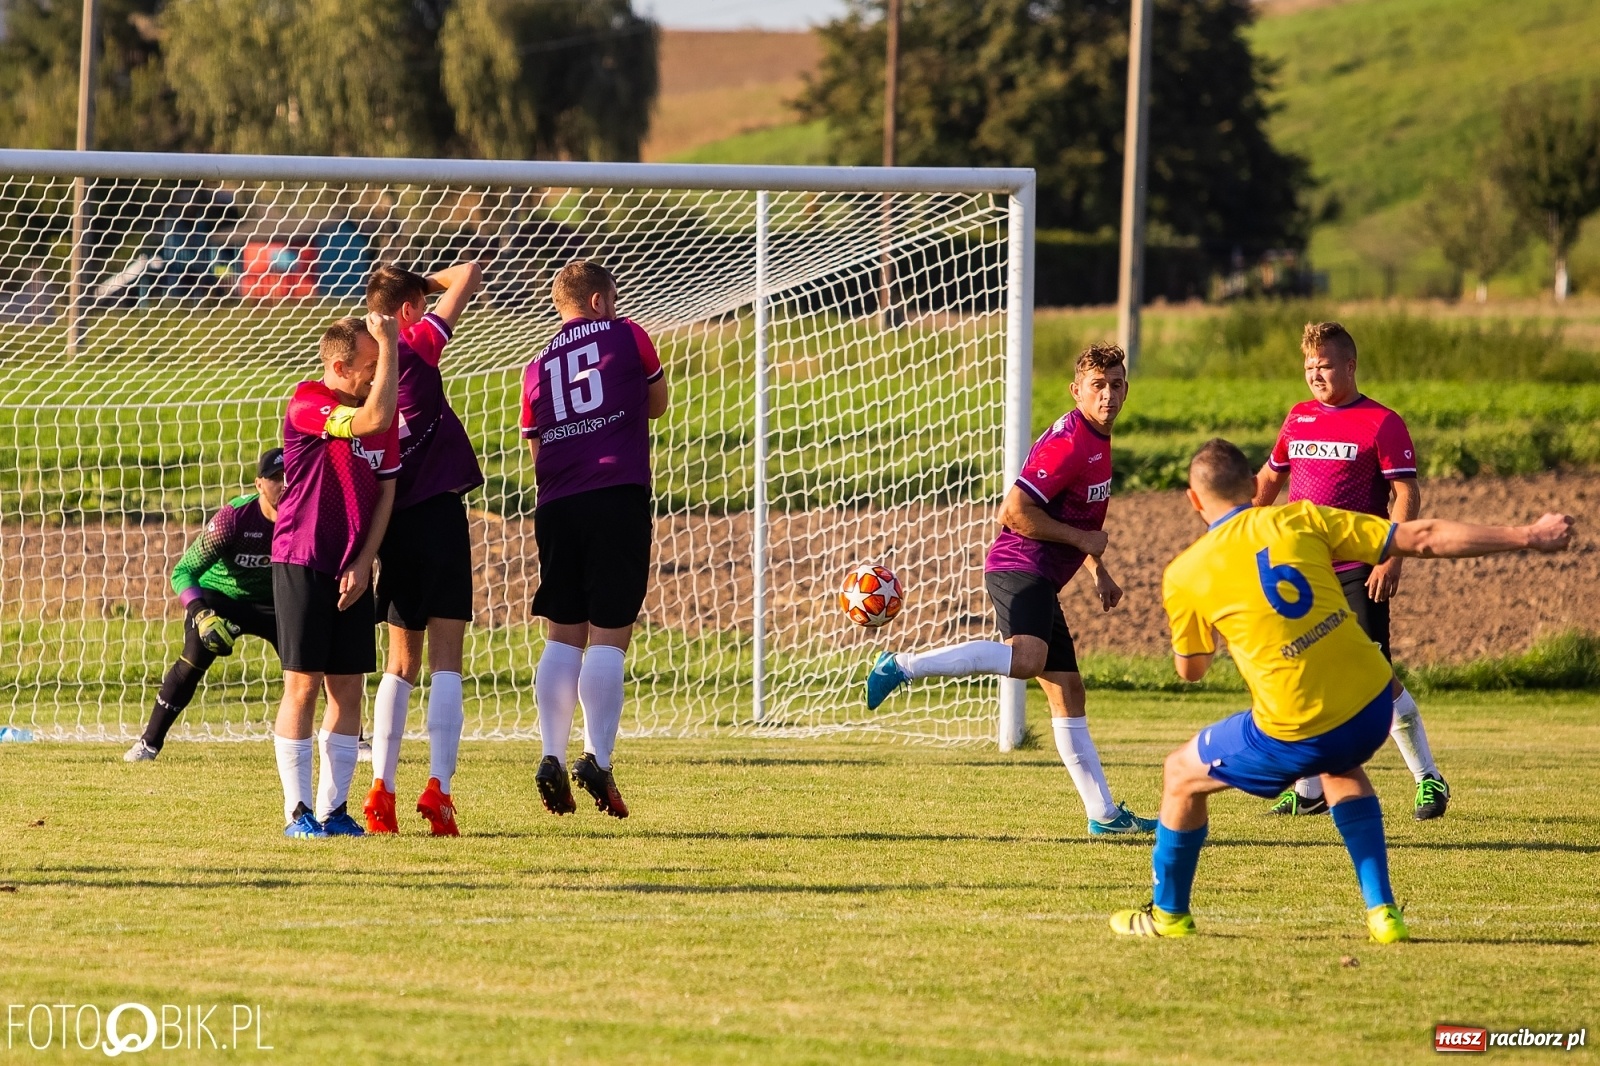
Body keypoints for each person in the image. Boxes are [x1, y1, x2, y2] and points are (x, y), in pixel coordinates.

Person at [1110, 439, 1573, 941]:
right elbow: (1423, 537)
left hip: (1298, 727)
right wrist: (1528, 535)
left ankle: (1169, 915)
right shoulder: (1302, 518)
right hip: (1373, 706)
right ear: (1254, 486)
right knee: (1339, 764)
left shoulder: (1185, 573)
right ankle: (1383, 913)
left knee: (1179, 773)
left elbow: (1193, 670)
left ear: (1193, 499)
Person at [864, 344, 1155, 836]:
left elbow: (1075, 513)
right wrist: (1085, 542)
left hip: (1043, 574)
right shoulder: (1070, 443)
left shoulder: (1097, 438)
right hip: (1019, 565)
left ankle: (1105, 816)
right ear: (1077, 391)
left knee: (1069, 693)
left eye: (1116, 385)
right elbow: (1014, 512)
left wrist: (1096, 568)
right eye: (1097, 386)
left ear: (1126, 389)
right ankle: (902, 666)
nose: (1108, 394)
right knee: (1026, 660)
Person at [1255, 321, 1448, 820]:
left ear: (1350, 365)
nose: (1315, 375)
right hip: (1301, 571)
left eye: (1323, 365)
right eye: (1308, 367)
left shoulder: (1382, 422)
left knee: (1374, 677)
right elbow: (1269, 481)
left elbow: (1406, 493)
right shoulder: (1298, 418)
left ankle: (1428, 778)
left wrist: (1391, 556)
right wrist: (1232, 526)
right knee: (1303, 673)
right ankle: (1310, 789)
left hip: (1358, 567)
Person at [520, 259, 667, 819]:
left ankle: (551, 755)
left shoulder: (535, 366)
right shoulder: (627, 333)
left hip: (556, 504)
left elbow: (535, 447)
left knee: (563, 635)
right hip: (616, 494)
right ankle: (597, 760)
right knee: (608, 636)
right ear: (601, 301)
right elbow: (657, 404)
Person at [360, 261, 485, 837]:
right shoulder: (416, 342)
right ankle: (439, 790)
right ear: (409, 311)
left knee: (399, 664)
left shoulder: (366, 370)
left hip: (392, 521)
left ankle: (380, 790)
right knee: (447, 661)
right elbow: (469, 273)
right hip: (438, 514)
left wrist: (388, 299)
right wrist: (419, 286)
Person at [270, 312, 400, 838]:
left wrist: (366, 560)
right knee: (303, 686)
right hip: (302, 557)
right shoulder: (308, 402)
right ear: (340, 367)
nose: (378, 372)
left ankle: (333, 810)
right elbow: (370, 421)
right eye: (370, 364)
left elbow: (387, 491)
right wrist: (390, 342)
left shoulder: (382, 409)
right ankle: (297, 812)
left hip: (352, 566)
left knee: (348, 687)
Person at [125, 448, 285, 763]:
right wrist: (201, 614)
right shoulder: (235, 519)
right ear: (258, 484)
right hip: (220, 597)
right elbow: (182, 572)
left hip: (275, 601)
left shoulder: (307, 519)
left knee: (313, 663)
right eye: (275, 478)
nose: (284, 484)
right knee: (192, 660)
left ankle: (353, 739)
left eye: (290, 477)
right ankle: (148, 744)